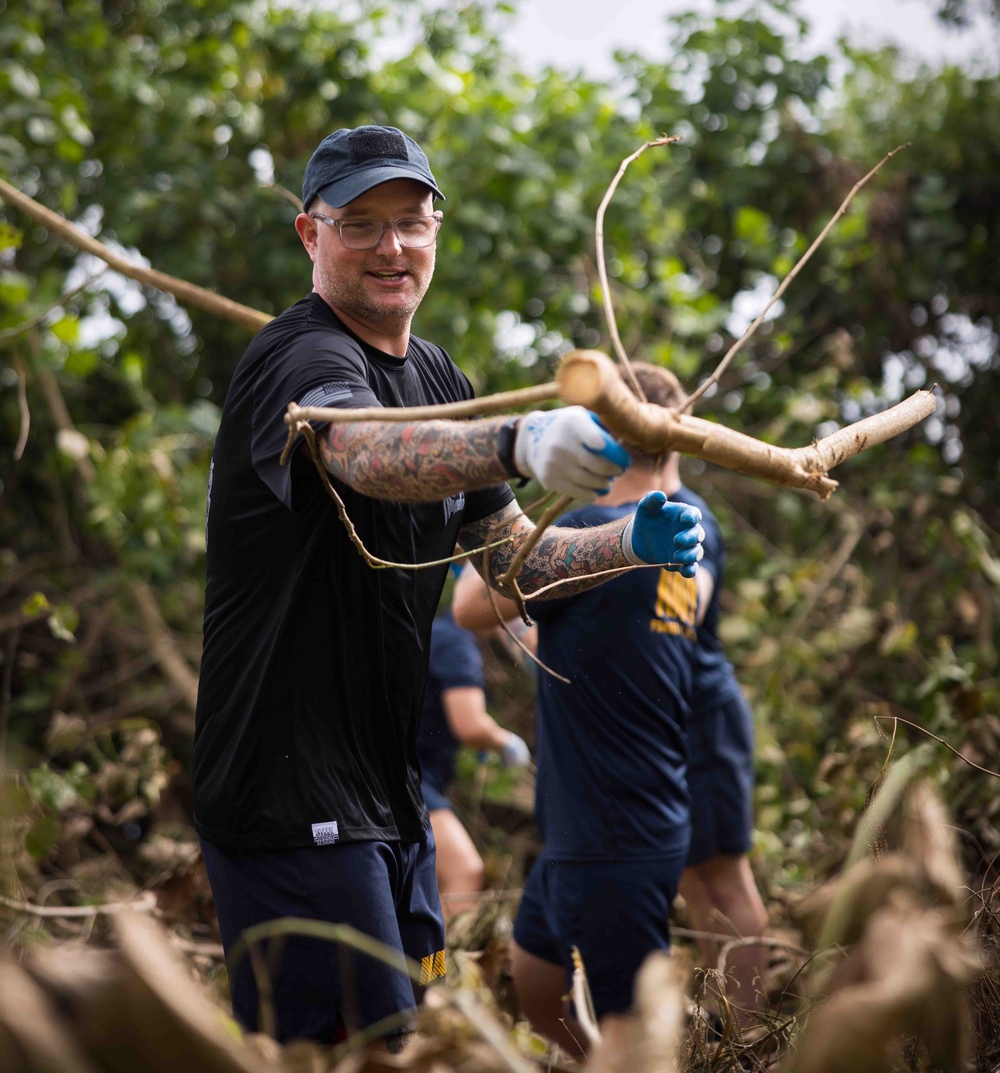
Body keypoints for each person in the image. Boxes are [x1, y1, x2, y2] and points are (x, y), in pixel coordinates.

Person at [193, 125, 705, 1047]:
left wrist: (628, 542)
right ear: (311, 237)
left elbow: (510, 562)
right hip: (289, 793)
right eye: (360, 225)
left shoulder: (436, 375)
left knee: (423, 1029)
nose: (391, 247)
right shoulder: (299, 359)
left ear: (436, 230)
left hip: (393, 797)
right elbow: (365, 454)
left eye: (410, 222)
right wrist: (515, 441)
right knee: (359, 1052)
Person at [454, 361, 766, 1049]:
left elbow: (474, 605)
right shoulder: (683, 526)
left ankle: (750, 1042)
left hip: (663, 755)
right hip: (641, 755)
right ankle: (732, 1040)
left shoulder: (610, 532)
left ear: (603, 435)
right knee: (546, 970)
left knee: (720, 887)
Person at [417, 607, 530, 916]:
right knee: (463, 872)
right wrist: (503, 742)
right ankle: (442, 965)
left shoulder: (440, 633)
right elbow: (470, 725)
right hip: (412, 782)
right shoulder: (456, 641)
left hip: (408, 778)